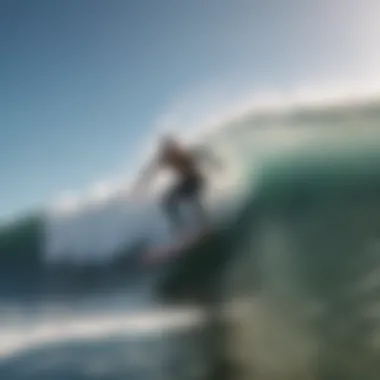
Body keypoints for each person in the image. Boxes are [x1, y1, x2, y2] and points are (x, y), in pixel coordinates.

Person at [130, 134, 223, 239]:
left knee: (193, 200)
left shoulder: (185, 153)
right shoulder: (164, 158)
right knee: (166, 202)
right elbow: (150, 171)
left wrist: (216, 164)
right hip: (185, 182)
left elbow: (203, 154)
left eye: (171, 148)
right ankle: (181, 230)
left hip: (196, 180)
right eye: (167, 150)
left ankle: (206, 225)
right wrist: (141, 186)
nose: (170, 152)